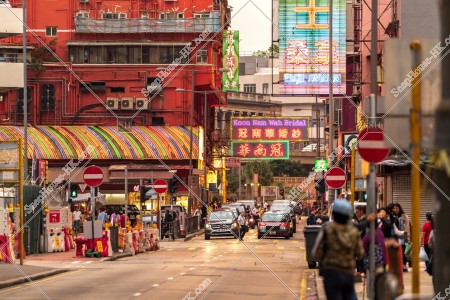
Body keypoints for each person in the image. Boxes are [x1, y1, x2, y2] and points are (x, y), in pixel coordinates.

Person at [313, 200, 364, 300]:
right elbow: (360, 253)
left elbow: (316, 253)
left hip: (331, 272)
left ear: (334, 214)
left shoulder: (327, 229)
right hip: (348, 272)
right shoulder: (353, 231)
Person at [388, 203, 411, 272]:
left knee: (403, 251)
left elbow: (407, 226)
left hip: (402, 237)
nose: (395, 210)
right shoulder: (390, 217)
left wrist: (408, 236)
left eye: (397, 208)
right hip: (393, 236)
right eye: (394, 208)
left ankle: (403, 265)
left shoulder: (404, 216)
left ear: (399, 208)